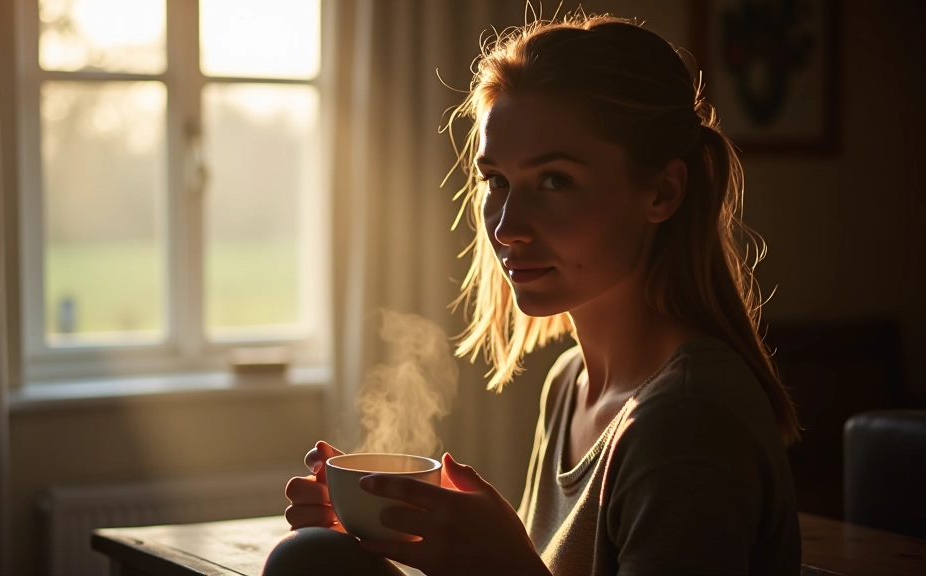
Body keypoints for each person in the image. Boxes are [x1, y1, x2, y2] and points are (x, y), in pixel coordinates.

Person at [267, 10, 802, 576]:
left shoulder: (689, 421)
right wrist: (383, 535)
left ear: (663, 192)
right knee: (316, 557)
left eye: (555, 180)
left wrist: (502, 564)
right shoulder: (570, 384)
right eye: (496, 181)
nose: (505, 226)